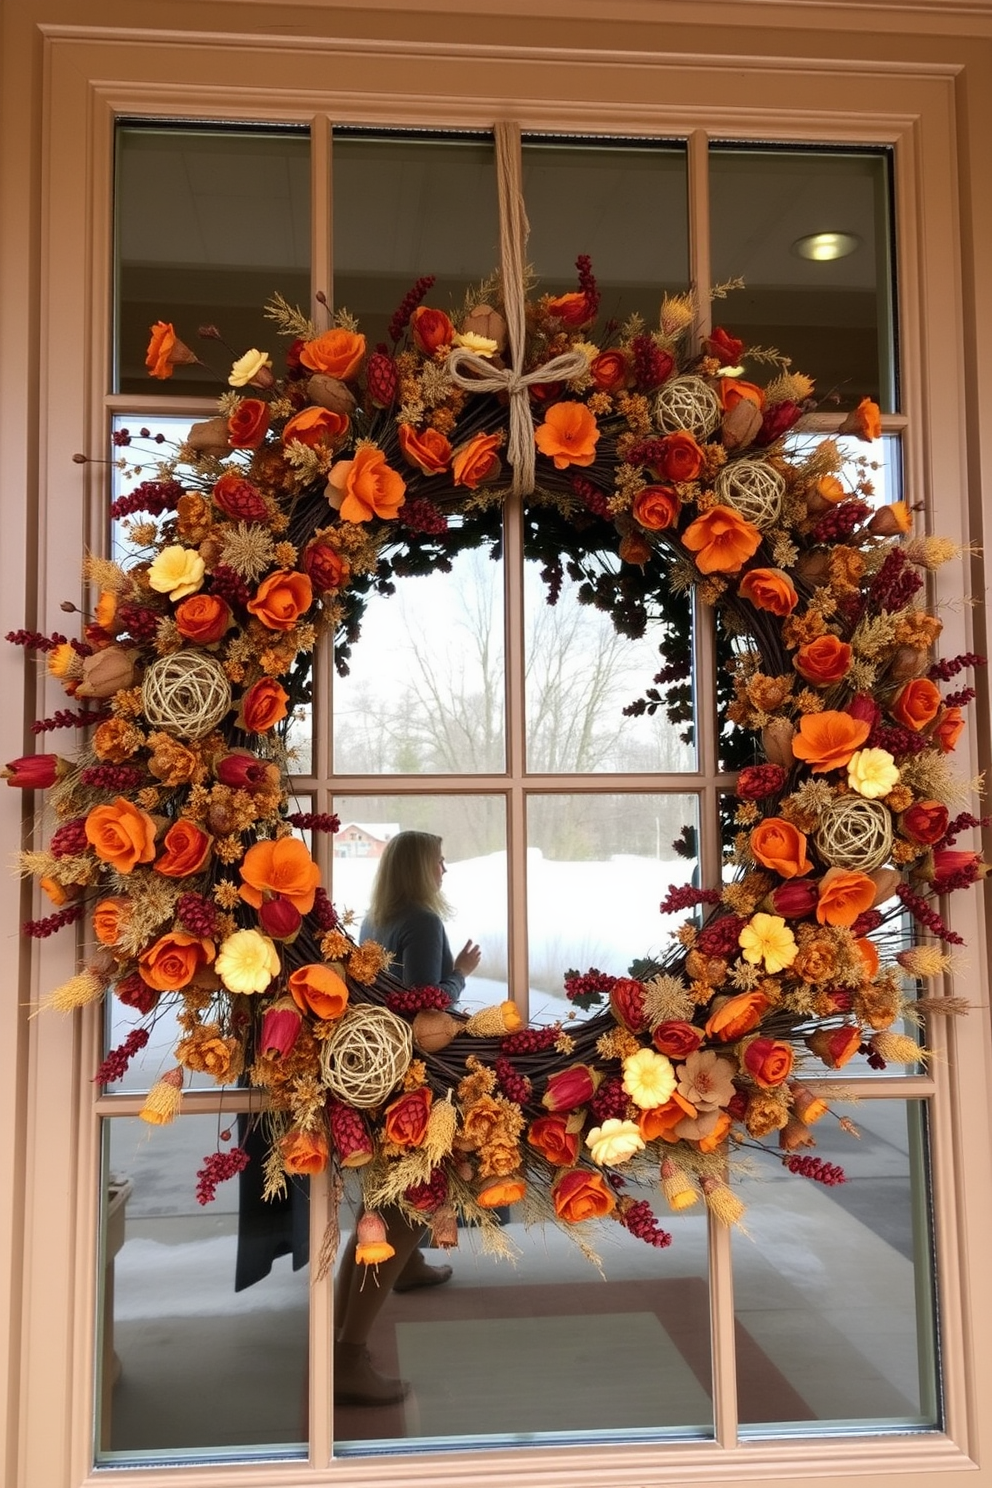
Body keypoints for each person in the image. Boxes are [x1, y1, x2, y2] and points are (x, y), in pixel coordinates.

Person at [333, 830, 481, 1407]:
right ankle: (348, 1356)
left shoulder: (377, 918)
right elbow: (426, 1005)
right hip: (418, 1076)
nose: (445, 867)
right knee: (401, 1202)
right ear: (421, 868)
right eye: (439, 859)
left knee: (384, 1205)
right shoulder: (422, 920)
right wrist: (461, 971)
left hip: (385, 1070)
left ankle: (410, 1264)